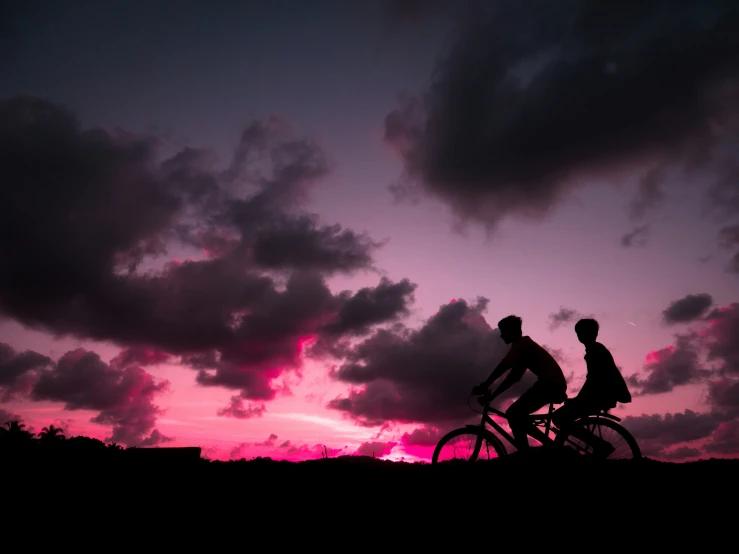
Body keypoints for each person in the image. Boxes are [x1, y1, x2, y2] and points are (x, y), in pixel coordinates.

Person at [472, 315, 567, 453]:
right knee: (516, 415)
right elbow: (513, 377)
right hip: (552, 384)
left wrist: (485, 385)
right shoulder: (524, 347)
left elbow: (504, 366)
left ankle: (533, 451)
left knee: (513, 414)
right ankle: (529, 451)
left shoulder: (522, 345)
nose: (501, 336)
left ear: (511, 331)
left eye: (503, 331)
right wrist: (493, 396)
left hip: (549, 384)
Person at [551, 318, 632, 456]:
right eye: (578, 333)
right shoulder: (595, 349)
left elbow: (594, 379)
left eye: (582, 332)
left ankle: (599, 444)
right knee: (562, 417)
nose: (580, 336)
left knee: (559, 418)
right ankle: (597, 444)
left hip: (599, 396)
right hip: (601, 396)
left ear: (592, 333)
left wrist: (578, 399)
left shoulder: (595, 351)